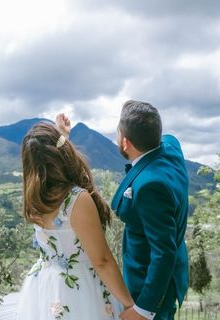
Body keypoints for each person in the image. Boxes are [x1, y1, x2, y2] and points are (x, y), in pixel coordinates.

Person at [16, 114, 134, 320]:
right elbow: (102, 260)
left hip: (46, 287)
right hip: (80, 289)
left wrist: (62, 136)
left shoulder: (34, 198)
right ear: (61, 153)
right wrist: (130, 305)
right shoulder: (77, 199)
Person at [112, 101, 189, 320]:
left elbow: (163, 252)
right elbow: (168, 137)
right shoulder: (171, 146)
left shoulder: (149, 186)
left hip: (150, 283)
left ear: (126, 143)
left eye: (117, 133)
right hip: (163, 277)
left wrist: (143, 309)